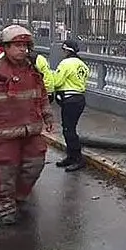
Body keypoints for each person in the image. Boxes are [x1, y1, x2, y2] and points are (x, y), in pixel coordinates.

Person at [0, 25, 55, 226]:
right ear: (6, 47)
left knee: (35, 164)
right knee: (6, 172)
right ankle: (6, 208)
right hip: (4, 132)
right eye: (18, 45)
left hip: (30, 130)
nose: (22, 49)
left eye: (25, 46)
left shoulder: (32, 69)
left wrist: (47, 116)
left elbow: (41, 95)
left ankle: (19, 196)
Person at [49, 39, 90, 171]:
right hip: (79, 99)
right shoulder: (82, 64)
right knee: (69, 129)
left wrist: (50, 76)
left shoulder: (66, 63)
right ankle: (71, 157)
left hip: (70, 100)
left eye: (63, 50)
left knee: (69, 130)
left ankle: (78, 159)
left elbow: (57, 81)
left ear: (67, 50)